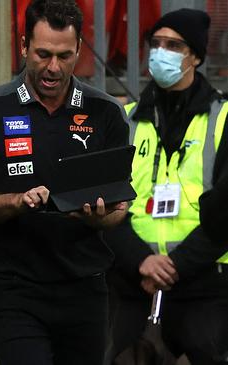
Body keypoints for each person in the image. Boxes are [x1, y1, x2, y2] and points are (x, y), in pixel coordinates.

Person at [0, 0, 130, 364]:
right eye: (43, 54)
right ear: (23, 46)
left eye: (65, 56)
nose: (53, 67)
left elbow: (118, 209)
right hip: (14, 288)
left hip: (85, 285)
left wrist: (98, 217)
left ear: (79, 48)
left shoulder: (107, 112)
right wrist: (18, 202)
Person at [105, 8, 228, 365]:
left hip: (204, 286)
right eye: (155, 43)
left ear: (196, 56)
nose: (161, 52)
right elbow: (102, 202)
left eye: (173, 45)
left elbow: (226, 211)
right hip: (132, 282)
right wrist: (141, 260)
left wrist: (173, 265)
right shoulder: (124, 120)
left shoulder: (223, 120)